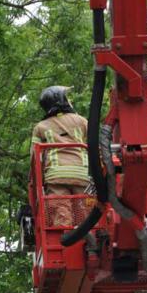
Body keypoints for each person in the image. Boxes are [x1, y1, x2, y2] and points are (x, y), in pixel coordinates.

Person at [31, 86, 91, 227]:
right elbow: (95, 145)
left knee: (61, 212)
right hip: (81, 174)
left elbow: (34, 156)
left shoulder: (40, 127)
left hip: (55, 175)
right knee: (84, 213)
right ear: (62, 100)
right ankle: (88, 239)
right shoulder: (81, 121)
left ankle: (64, 239)